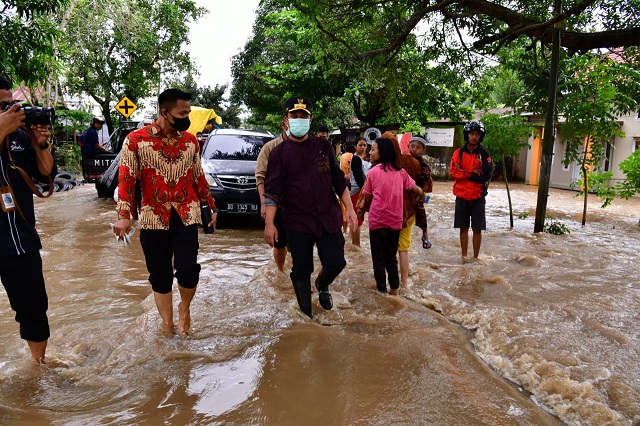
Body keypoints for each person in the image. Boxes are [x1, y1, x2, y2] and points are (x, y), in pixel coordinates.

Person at [113, 88, 217, 335]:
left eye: (188, 112)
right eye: (182, 113)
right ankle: (168, 326)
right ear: (164, 112)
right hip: (152, 216)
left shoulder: (190, 141)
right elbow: (126, 177)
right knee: (160, 276)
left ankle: (185, 308)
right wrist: (123, 215)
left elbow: (197, 176)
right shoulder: (136, 140)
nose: (187, 117)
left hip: (186, 214)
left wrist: (210, 205)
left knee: (188, 271)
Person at [264, 96, 357, 318]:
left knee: (336, 262)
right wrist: (269, 223)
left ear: (310, 119)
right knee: (301, 270)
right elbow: (272, 192)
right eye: (294, 116)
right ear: (286, 120)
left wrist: (350, 209)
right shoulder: (279, 153)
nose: (298, 120)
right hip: (297, 221)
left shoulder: (323, 146)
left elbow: (337, 180)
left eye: (303, 116)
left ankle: (323, 284)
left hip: (328, 216)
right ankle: (307, 318)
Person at [0, 74, 56, 363]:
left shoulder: (20, 137)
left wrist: (40, 143)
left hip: (20, 240)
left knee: (34, 309)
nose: (9, 112)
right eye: (1, 106)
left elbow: (45, 175)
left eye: (9, 105)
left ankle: (38, 368)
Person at [357, 138, 424, 295]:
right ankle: (394, 289)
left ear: (382, 153)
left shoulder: (373, 172)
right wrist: (422, 193)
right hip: (395, 222)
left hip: (377, 222)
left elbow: (365, 196)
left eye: (373, 149)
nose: (370, 152)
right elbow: (415, 188)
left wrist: (359, 212)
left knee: (378, 259)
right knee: (391, 257)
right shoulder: (400, 172)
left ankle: (381, 290)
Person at [381, 131, 422, 288]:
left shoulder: (395, 163)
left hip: (393, 212)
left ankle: (390, 283)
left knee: (388, 249)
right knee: (403, 249)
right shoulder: (419, 164)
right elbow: (425, 188)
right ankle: (404, 283)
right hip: (410, 212)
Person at [450, 120, 493, 258]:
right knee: (463, 228)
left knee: (477, 229)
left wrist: (465, 174)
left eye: (477, 134)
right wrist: (472, 172)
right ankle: (463, 256)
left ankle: (475, 258)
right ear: (467, 135)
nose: (474, 137)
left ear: (481, 136)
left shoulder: (485, 154)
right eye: (471, 134)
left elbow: (486, 175)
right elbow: (453, 172)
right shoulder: (458, 153)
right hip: (462, 196)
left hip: (478, 196)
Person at [256, 118, 288, 272]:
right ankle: (281, 271)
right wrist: (264, 203)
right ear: (284, 123)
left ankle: (301, 278)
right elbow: (260, 177)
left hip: (300, 205)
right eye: (293, 117)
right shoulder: (270, 148)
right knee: (280, 243)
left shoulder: (309, 147)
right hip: (277, 204)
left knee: (302, 243)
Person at [408, 136, 433, 249]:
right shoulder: (405, 160)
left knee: (421, 211)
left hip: (417, 192)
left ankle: (425, 234)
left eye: (418, 147)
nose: (414, 149)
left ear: (423, 150)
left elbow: (423, 180)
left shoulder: (424, 166)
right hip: (408, 192)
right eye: (412, 146)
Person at [349, 136, 370, 246]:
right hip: (357, 192)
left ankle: (354, 244)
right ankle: (356, 245)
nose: (362, 147)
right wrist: (366, 191)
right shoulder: (356, 159)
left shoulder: (359, 159)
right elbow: (358, 178)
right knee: (357, 220)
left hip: (356, 191)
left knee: (356, 219)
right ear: (355, 146)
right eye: (360, 145)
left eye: (364, 145)